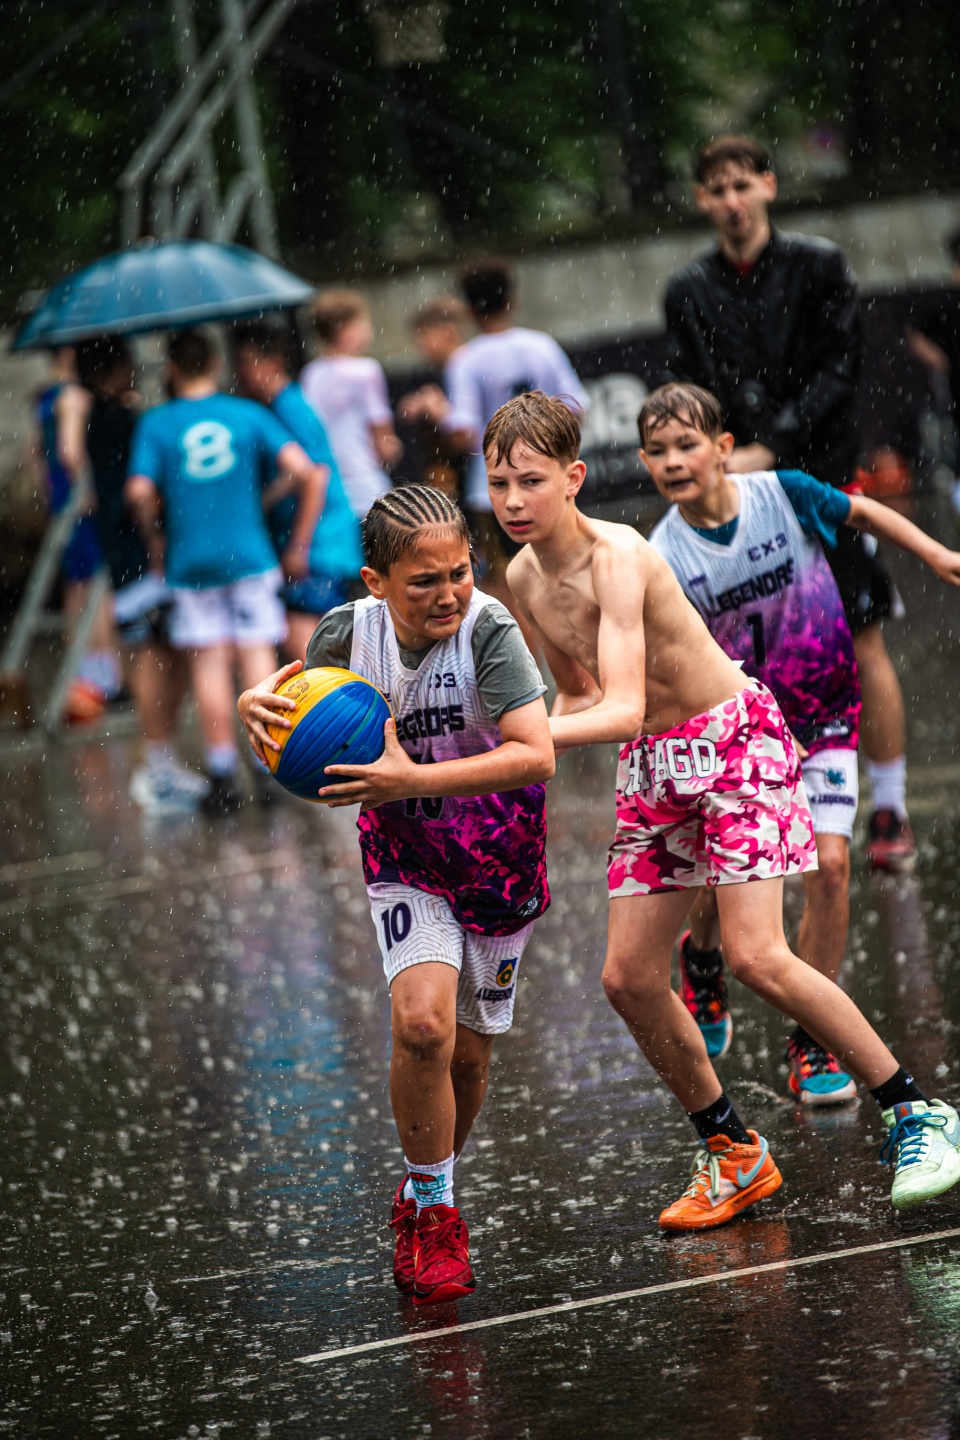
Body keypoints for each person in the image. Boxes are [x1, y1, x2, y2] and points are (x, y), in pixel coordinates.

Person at [487, 388, 960, 1231]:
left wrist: (507, 746)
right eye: (498, 485)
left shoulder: (621, 556)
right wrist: (517, 752)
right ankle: (734, 1152)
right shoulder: (523, 576)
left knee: (757, 956)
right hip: (657, 766)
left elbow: (621, 705)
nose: (513, 502)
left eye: (530, 482)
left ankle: (916, 1111)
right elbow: (579, 694)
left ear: (574, 478)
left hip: (734, 741)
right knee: (628, 978)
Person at [236, 484, 553, 1302]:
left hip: (499, 857)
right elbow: (290, 708)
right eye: (424, 581)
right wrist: (251, 706)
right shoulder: (345, 633)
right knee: (422, 1029)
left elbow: (536, 754)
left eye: (460, 572)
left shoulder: (490, 630)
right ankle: (439, 1217)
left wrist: (411, 777)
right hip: (405, 856)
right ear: (376, 582)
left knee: (470, 1058)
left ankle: (421, 1185)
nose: (449, 593)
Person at [644, 382, 960, 1104]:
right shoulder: (660, 556)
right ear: (644, 463)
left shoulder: (782, 494)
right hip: (737, 733)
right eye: (657, 451)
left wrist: (936, 551)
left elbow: (861, 511)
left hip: (823, 716)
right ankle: (702, 957)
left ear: (723, 448)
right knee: (721, 880)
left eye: (687, 444)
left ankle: (814, 1043)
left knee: (831, 867)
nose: (674, 460)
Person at [664, 134, 914, 872]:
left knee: (863, 642)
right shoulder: (687, 290)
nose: (732, 201)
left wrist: (770, 447)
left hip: (821, 486)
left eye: (743, 184)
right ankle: (775, 805)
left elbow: (841, 371)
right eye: (718, 189)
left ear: (769, 185)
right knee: (747, 662)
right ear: (702, 199)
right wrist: (723, 454)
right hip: (735, 493)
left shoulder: (819, 264)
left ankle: (890, 806)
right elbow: (687, 390)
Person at [125, 329, 326, 815]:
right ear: (215, 364)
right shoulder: (246, 414)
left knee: (208, 663)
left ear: (171, 367)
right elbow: (303, 469)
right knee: (258, 657)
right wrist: (265, 499)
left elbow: (137, 491)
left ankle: (222, 773)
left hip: (191, 561)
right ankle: (266, 765)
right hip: (250, 554)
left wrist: (156, 534)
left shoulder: (156, 422)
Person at [76, 337, 208, 813]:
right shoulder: (120, 420)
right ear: (107, 370)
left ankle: (161, 761)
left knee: (164, 655)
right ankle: (157, 764)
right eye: (125, 363)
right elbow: (137, 493)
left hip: (126, 559)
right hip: (139, 562)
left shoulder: (101, 419)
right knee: (157, 656)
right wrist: (155, 542)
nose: (134, 369)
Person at [440, 260, 588, 611]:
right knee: (567, 567)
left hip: (496, 490)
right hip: (549, 480)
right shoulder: (541, 345)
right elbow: (577, 408)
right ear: (513, 301)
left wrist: (438, 415)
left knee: (509, 583)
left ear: (467, 310)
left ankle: (526, 648)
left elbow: (463, 435)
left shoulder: (466, 360)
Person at [233, 324, 363, 663]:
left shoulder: (289, 406)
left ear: (274, 362)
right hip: (319, 544)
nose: (239, 373)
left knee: (307, 635)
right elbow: (295, 476)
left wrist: (298, 546)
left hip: (321, 545)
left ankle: (335, 695)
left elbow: (315, 477)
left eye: (246, 363)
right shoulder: (276, 407)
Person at [33, 346, 121, 720]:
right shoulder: (72, 396)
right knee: (95, 586)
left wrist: (53, 493)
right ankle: (103, 675)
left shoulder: (44, 397)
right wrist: (87, 490)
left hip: (61, 501)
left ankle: (83, 672)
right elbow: (69, 450)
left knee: (77, 584)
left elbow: (38, 453)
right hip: (79, 501)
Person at [299, 290, 401, 520]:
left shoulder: (310, 373)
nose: (370, 330)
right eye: (364, 324)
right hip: (366, 486)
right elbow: (385, 445)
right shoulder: (365, 370)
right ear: (344, 330)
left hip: (329, 489)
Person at [396, 296, 472, 498]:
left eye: (424, 336)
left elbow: (466, 432)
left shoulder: (462, 365)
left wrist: (437, 411)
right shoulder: (453, 367)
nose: (420, 346)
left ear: (448, 332)